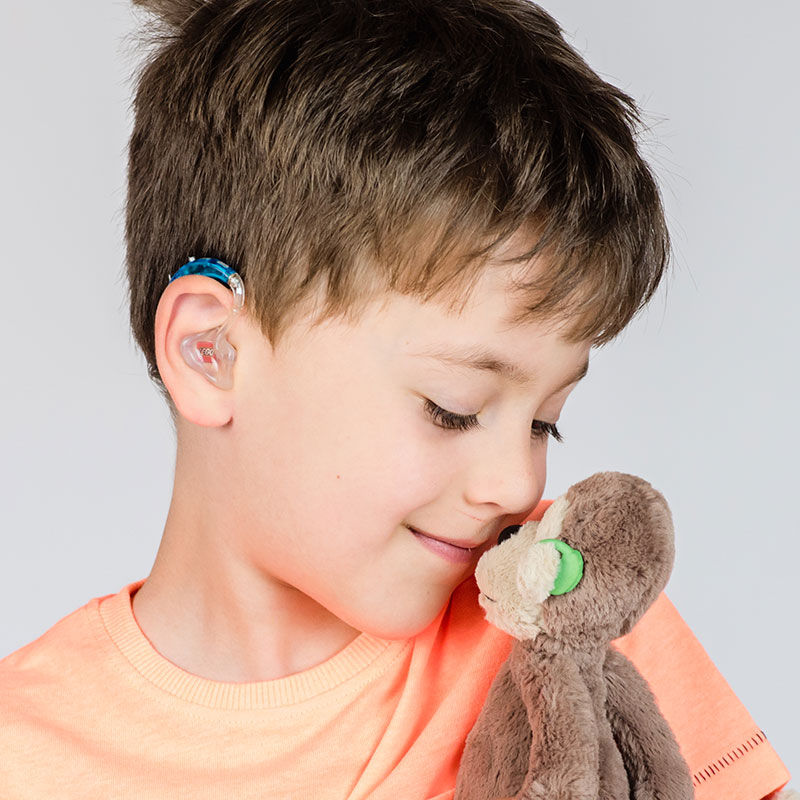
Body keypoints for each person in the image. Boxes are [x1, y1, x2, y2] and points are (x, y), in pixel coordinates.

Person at [0, 1, 792, 798]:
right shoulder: (22, 754)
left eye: (546, 421)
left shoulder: (571, 622)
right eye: (453, 407)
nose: (517, 484)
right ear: (213, 352)